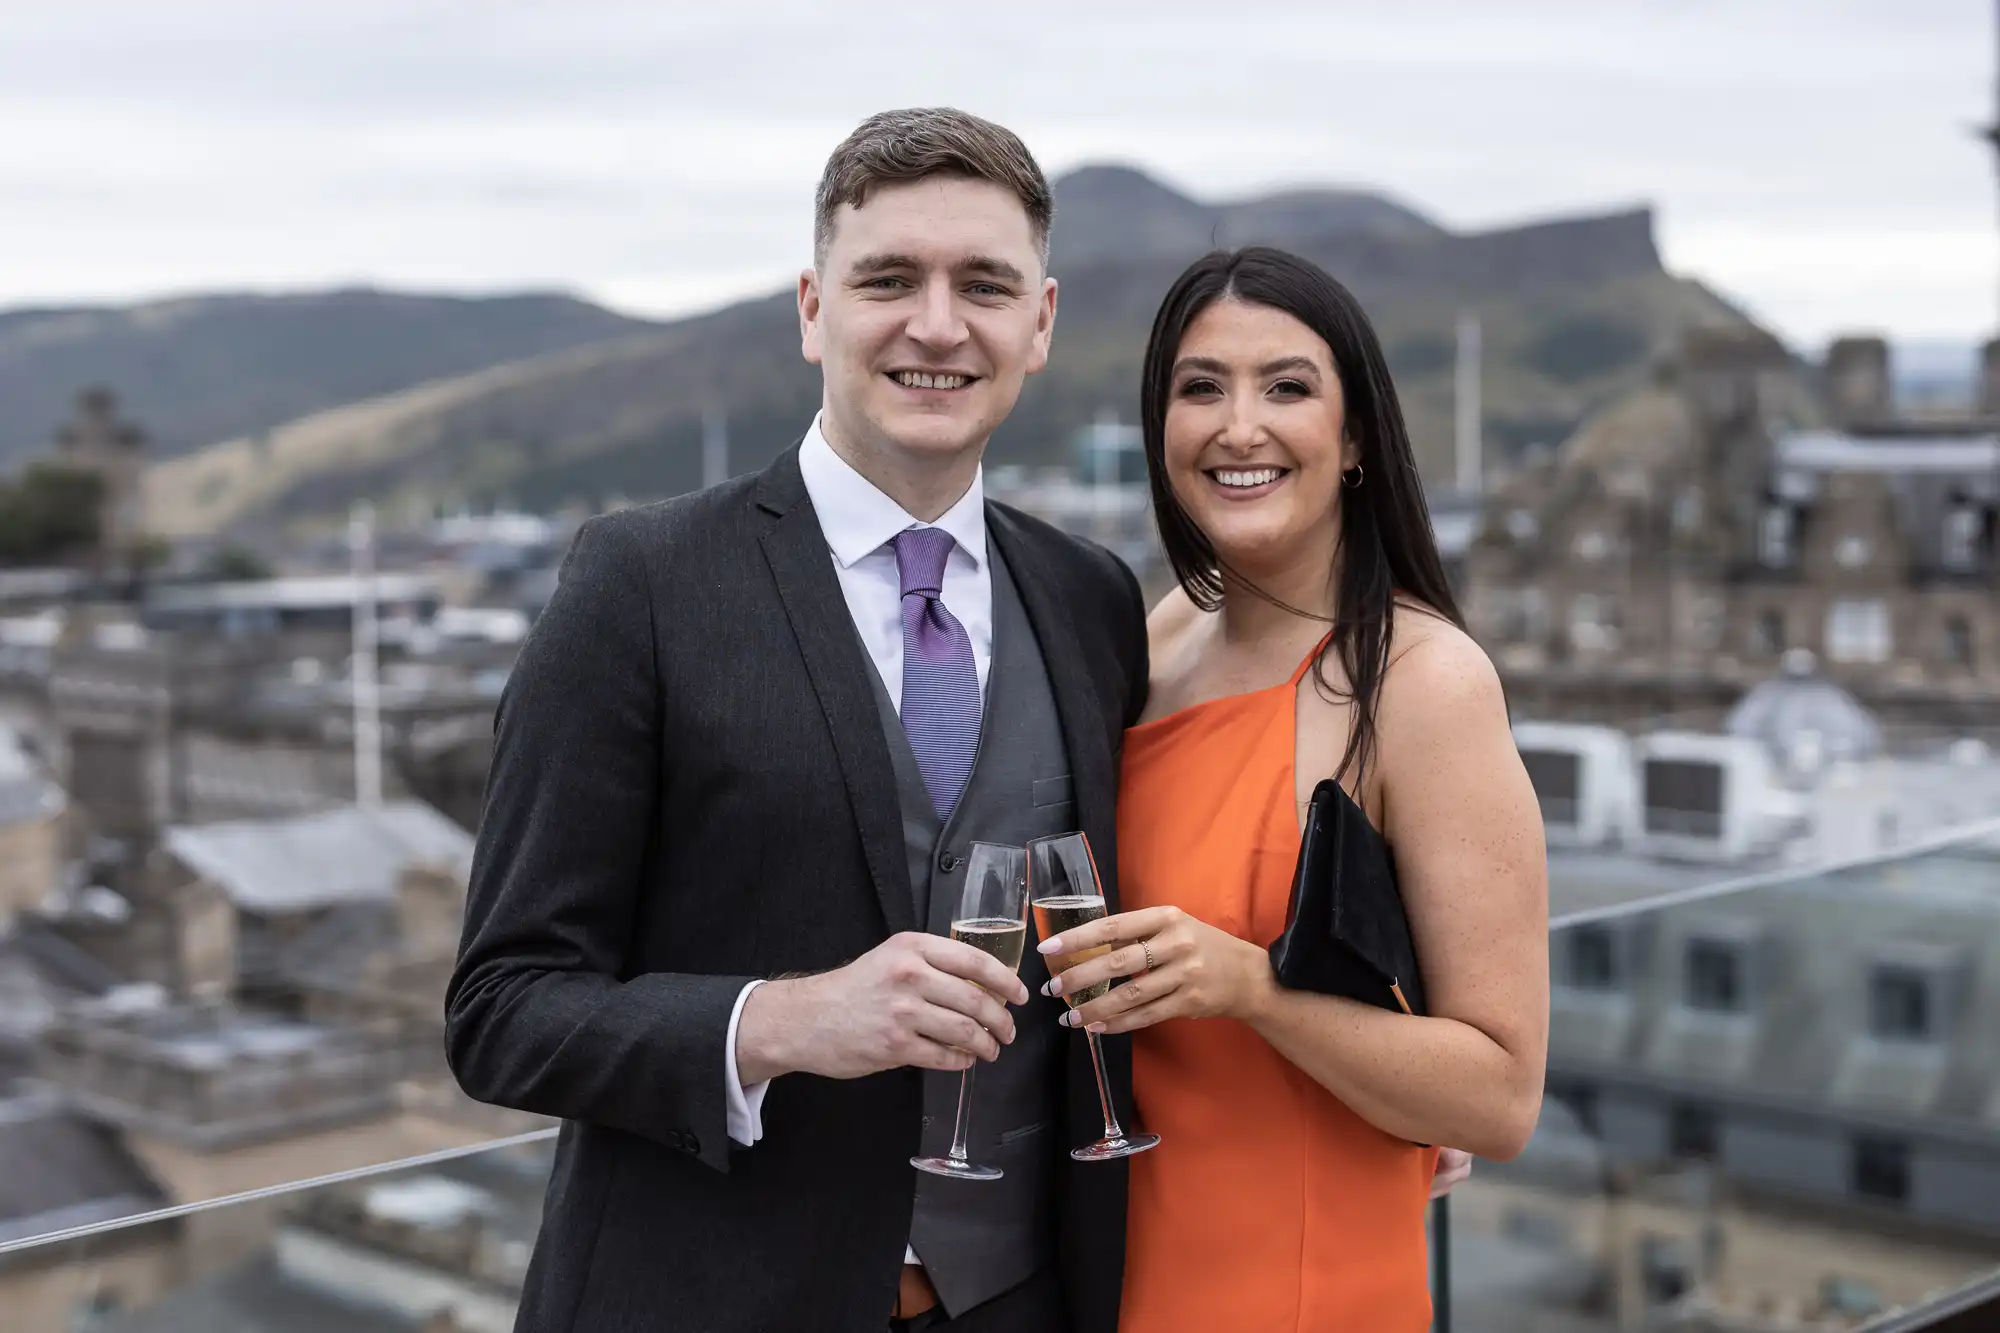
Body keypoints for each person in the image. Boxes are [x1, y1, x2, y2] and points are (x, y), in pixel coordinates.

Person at [445, 108, 1149, 1333]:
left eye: (982, 284)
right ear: (812, 309)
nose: (937, 324)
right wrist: (777, 1021)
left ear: (1037, 325)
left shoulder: (1089, 596)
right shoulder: (641, 583)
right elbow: (502, 1009)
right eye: (889, 279)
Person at [1035, 247, 1549, 1331]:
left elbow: (1498, 1098)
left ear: (1355, 434)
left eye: (1286, 386)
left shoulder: (1421, 681)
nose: (1237, 426)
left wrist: (1253, 989)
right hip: (1114, 1264)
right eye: (1198, 387)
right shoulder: (1153, 634)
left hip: (1299, 1287)